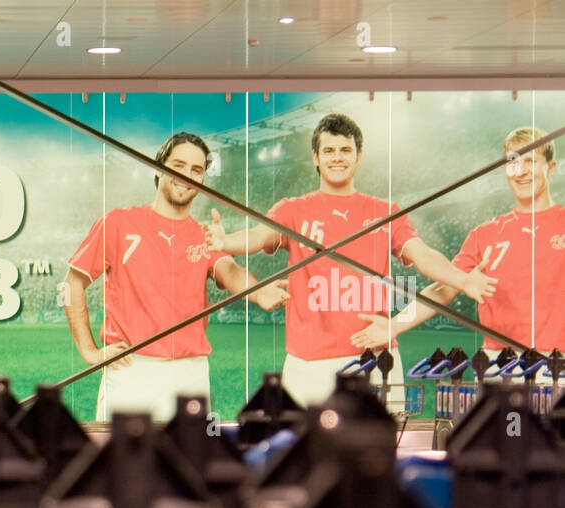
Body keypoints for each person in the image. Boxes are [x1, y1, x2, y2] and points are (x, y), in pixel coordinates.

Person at [206, 113, 497, 408]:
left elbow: (423, 255)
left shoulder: (385, 212)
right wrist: (226, 241)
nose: (337, 158)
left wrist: (463, 279)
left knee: (379, 451)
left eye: (345, 150)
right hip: (309, 363)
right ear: (315, 157)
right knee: (305, 451)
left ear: (359, 156)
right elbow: (257, 236)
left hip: (374, 357)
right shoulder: (292, 210)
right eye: (329, 150)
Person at [62, 131, 290, 422]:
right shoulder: (117, 223)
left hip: (190, 373)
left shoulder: (203, 236)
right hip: (132, 369)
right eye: (178, 165)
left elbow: (230, 272)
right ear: (159, 168)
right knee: (123, 465)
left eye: (197, 170)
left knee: (190, 462)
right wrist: (89, 351)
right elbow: (72, 283)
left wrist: (258, 291)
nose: (187, 175)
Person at [351, 126, 560, 360]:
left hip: (558, 361)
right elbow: (443, 289)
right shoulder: (486, 233)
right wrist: (395, 325)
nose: (520, 171)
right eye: (513, 162)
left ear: (551, 168)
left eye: (531, 161)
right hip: (499, 362)